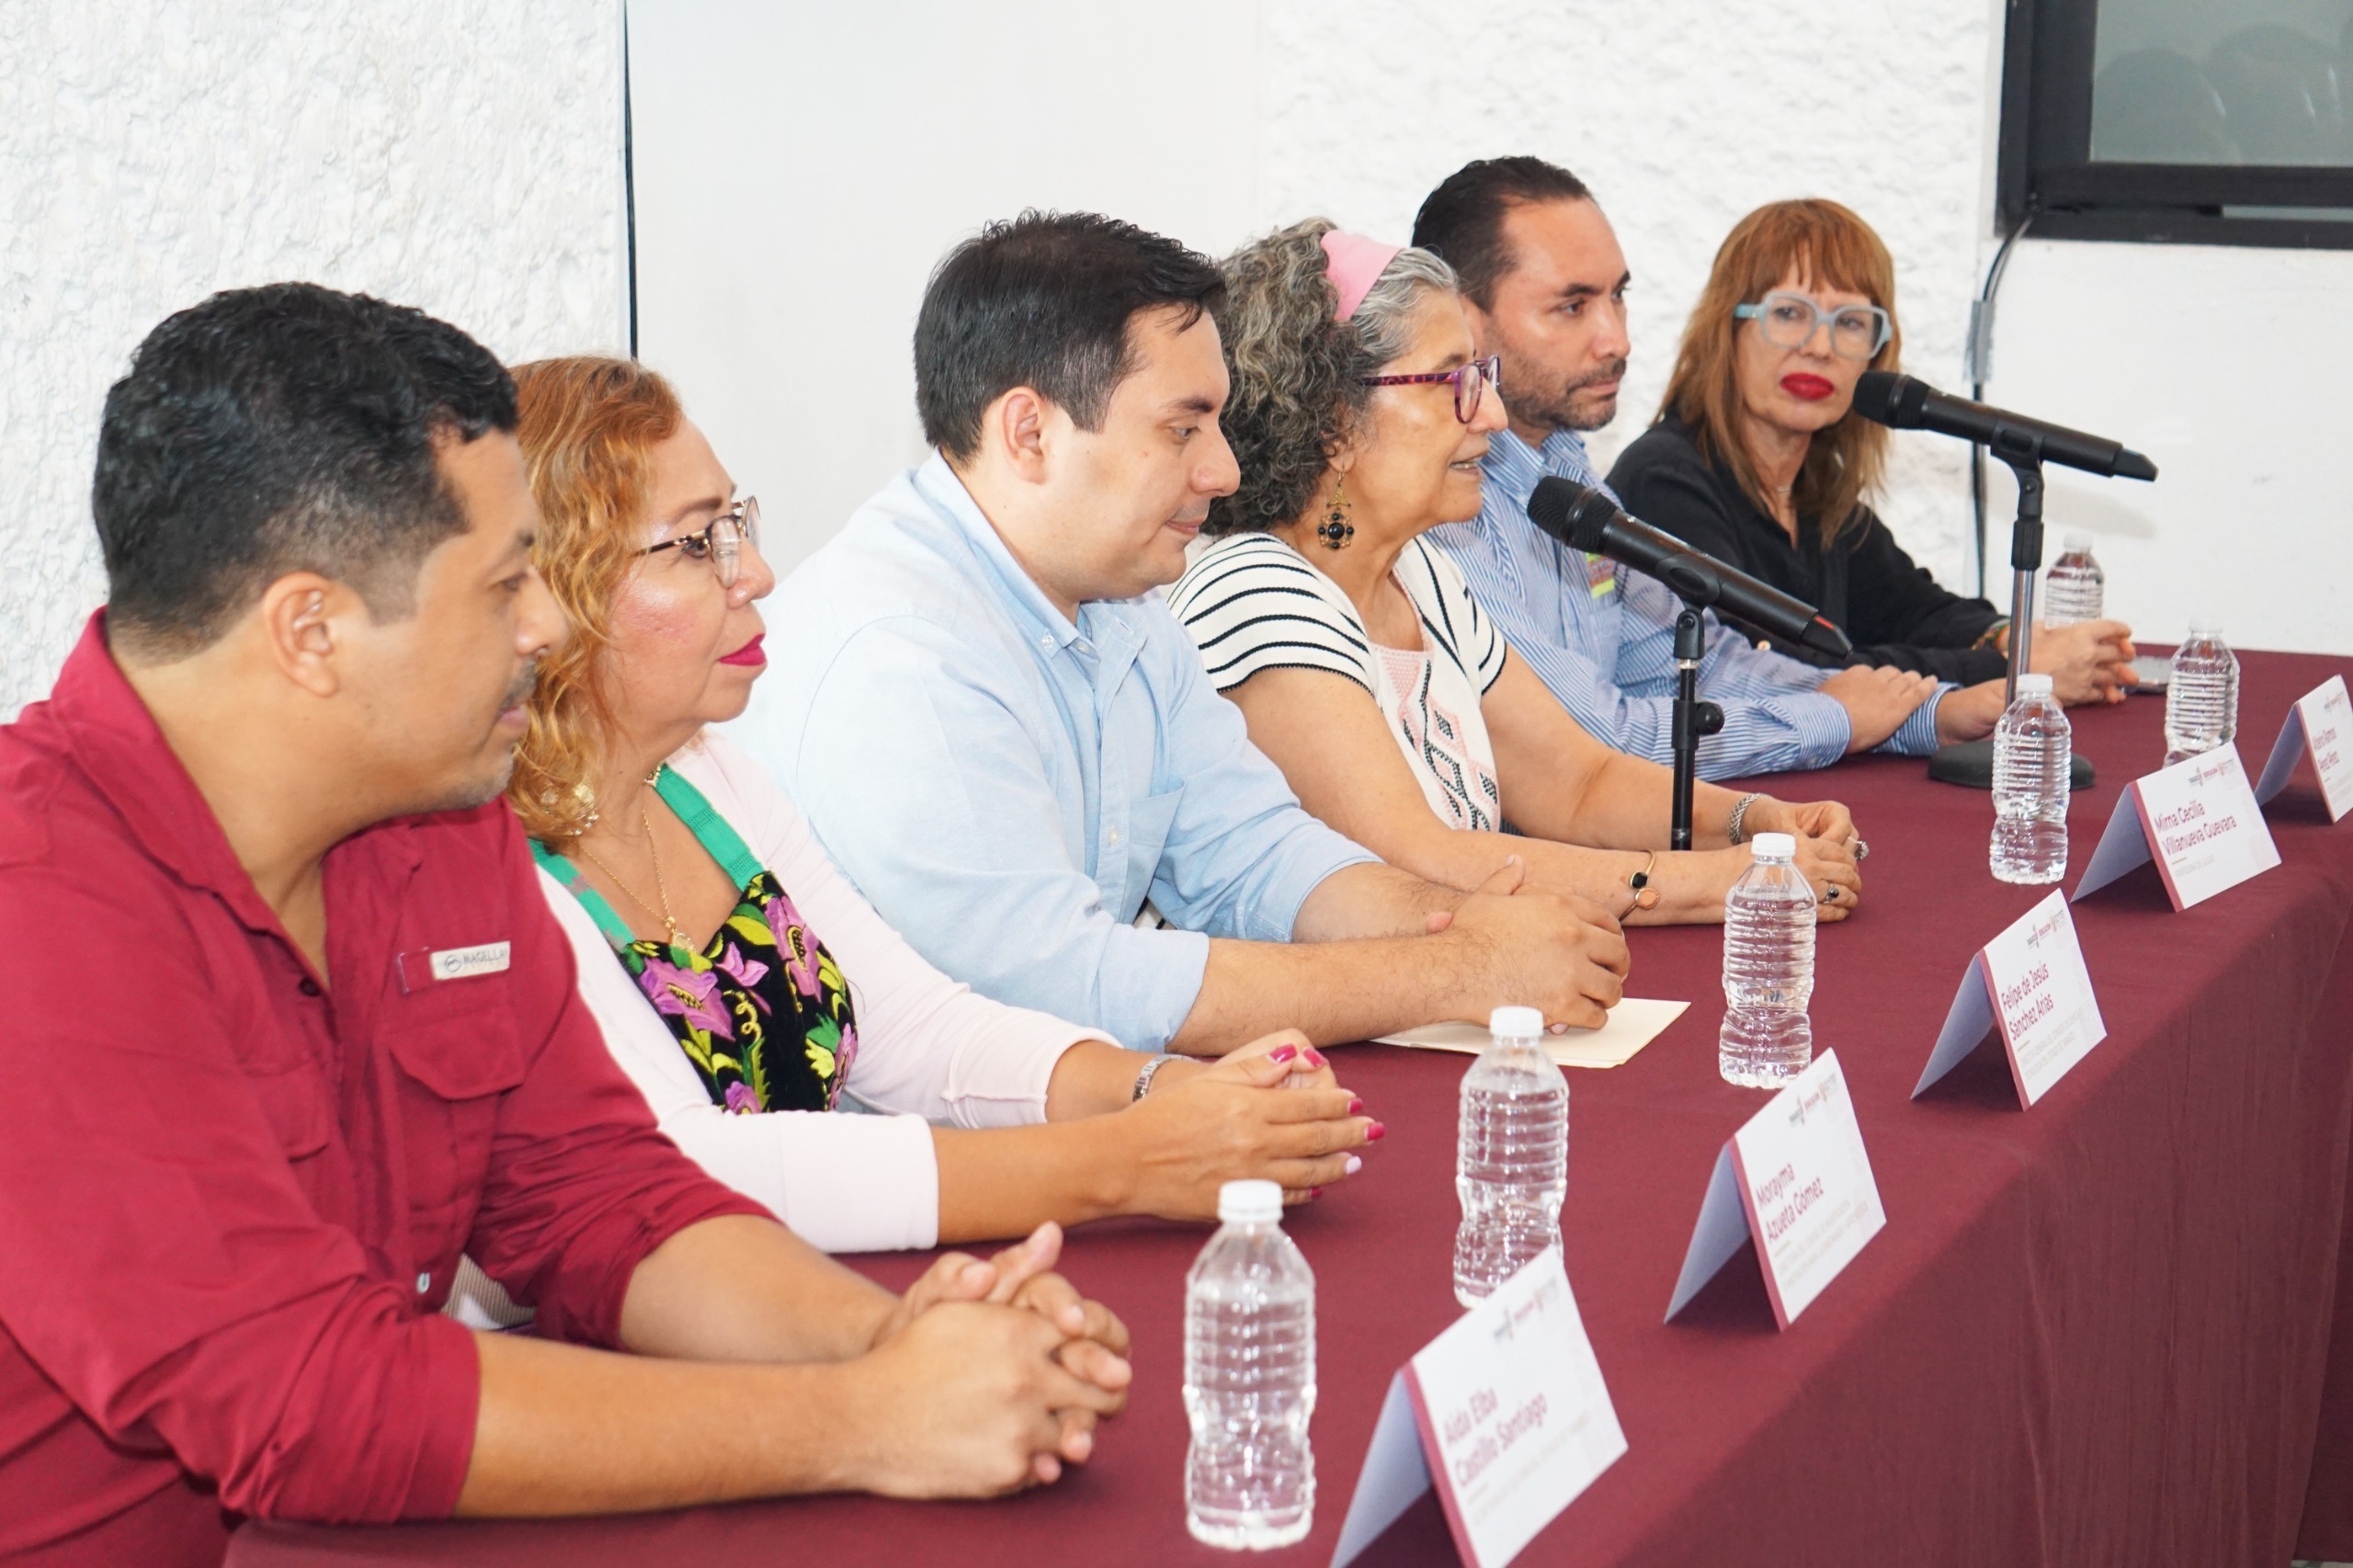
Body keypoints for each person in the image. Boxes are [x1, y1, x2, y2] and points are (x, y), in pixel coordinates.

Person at [0, 285, 1130, 1566]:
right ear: (309, 631)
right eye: (502, 585)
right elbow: (310, 1401)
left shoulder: (431, 808)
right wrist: (857, 1416)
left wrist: (897, 1338)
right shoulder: (36, 903)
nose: (546, 624)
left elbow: (598, 1198)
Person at [506, 355, 1375, 1252]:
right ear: (557, 590)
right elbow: (688, 1168)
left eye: (737, 524)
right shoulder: (492, 865)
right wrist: (1125, 1159)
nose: (756, 572)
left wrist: (1155, 1088)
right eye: (697, 543)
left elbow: (916, 1029)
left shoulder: (710, 783)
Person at [733, 212, 1629, 1052]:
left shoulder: (1120, 596)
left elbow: (1255, 851)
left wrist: (1459, 923)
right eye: (1182, 426)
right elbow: (1058, 985)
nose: (1224, 467)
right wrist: (1455, 966)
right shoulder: (904, 653)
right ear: (1030, 432)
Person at [1169, 221, 1866, 924]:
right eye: (1455, 382)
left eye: (1485, 377)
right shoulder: (1254, 593)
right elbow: (1423, 863)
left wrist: (1755, 823)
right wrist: (1729, 882)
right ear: (1334, 425)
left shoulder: (1423, 575)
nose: (1493, 416)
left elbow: (1578, 783)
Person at [1409, 157, 2009, 779]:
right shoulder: (1442, 508)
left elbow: (1699, 664)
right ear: (1462, 321)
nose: (1617, 339)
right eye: (1572, 306)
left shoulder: (1568, 474)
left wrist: (1923, 715)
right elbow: (1592, 741)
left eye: (1618, 296)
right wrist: (1836, 717)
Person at [1608, 199, 2135, 699]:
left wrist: (2010, 638)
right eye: (1790, 313)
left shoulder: (1813, 485)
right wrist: (2019, 668)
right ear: (1727, 329)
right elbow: (1780, 673)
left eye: (1851, 323)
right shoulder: (1667, 480)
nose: (1819, 347)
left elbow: (1915, 610)